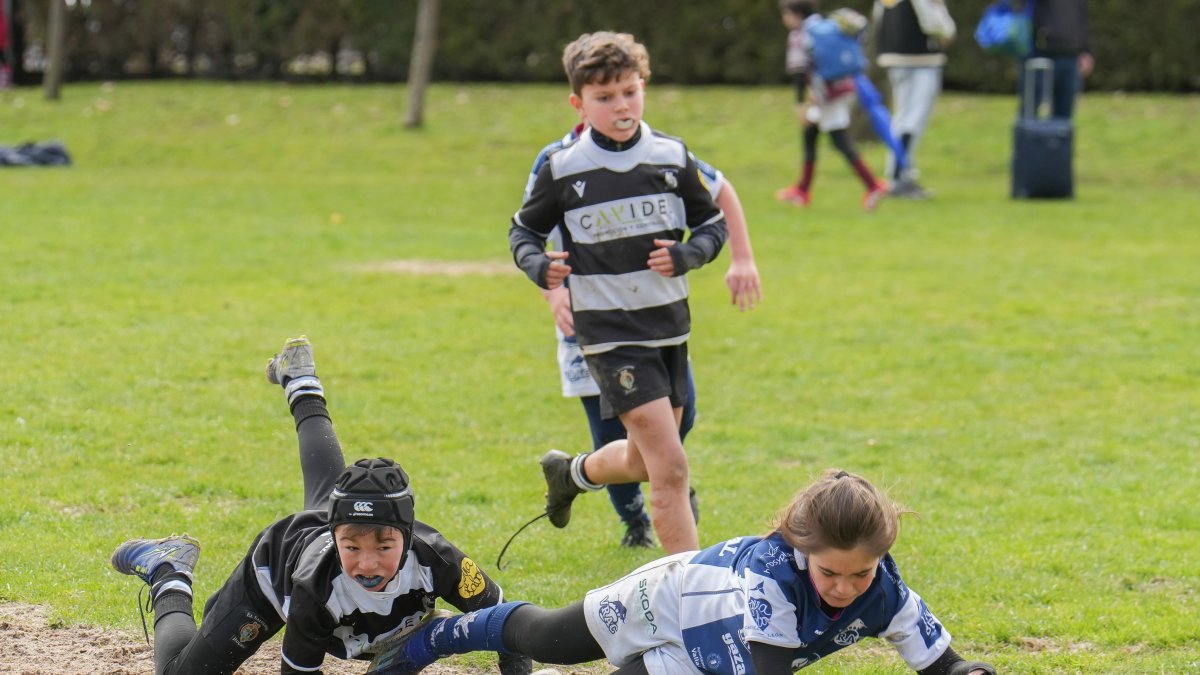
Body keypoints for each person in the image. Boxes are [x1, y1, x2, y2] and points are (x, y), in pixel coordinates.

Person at [109, 337, 531, 675]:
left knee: (328, 491)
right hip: (277, 572)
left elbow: (504, 622)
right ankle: (169, 572)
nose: (367, 563)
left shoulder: (439, 560)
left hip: (334, 553)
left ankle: (301, 381)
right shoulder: (314, 591)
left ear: (407, 535)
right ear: (335, 536)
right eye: (352, 547)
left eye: (384, 547)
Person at [369, 469, 998, 675]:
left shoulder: (886, 593)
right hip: (670, 598)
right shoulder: (772, 582)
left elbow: (944, 666)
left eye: (860, 576)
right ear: (800, 549)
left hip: (714, 656)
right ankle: (433, 638)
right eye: (830, 572)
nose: (844, 588)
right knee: (549, 643)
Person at [526, 60, 761, 548]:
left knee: (649, 452)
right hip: (598, 324)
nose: (621, 106)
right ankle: (682, 586)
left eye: (629, 92)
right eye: (605, 97)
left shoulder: (668, 155)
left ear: (643, 90)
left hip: (664, 325)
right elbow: (532, 233)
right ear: (579, 103)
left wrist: (699, 255)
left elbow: (715, 207)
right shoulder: (558, 163)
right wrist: (551, 289)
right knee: (668, 466)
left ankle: (572, 474)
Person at [775, 0, 890, 212]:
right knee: (810, 136)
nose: (784, 19)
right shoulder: (826, 24)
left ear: (796, 14)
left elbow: (799, 71)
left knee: (840, 140)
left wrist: (800, 104)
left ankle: (873, 185)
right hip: (841, 88)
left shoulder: (800, 35)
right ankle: (802, 190)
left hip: (823, 95)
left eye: (786, 14)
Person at [871, 0, 957, 199]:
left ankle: (896, 174)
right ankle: (901, 175)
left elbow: (878, 19)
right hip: (921, 58)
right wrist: (947, 31)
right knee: (914, 119)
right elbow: (933, 22)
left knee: (901, 117)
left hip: (894, 58)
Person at [1017, 0, 1093, 120]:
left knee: (1064, 116)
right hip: (1039, 54)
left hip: (1069, 55)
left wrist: (1086, 50)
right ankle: (1028, 138)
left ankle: (1059, 139)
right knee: (1030, 110)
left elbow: (1081, 16)